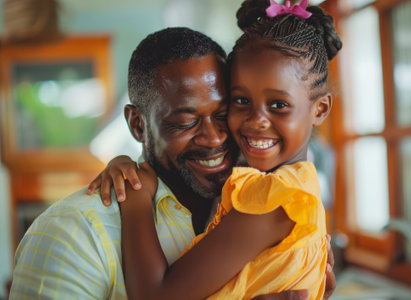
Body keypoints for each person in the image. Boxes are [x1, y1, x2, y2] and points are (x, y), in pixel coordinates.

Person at [9, 26, 334, 299]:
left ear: (319, 109)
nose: (214, 138)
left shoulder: (258, 201)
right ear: (138, 125)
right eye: (185, 122)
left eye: (222, 115)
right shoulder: (72, 232)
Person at [91, 0, 342, 299]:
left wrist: (135, 197)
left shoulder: (272, 201)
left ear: (320, 109)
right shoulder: (288, 182)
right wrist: (125, 161)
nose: (256, 121)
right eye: (240, 101)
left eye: (279, 105)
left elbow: (154, 296)